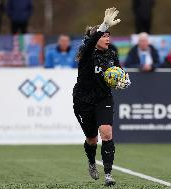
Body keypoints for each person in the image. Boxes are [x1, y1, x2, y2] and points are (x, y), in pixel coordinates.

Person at [73, 8, 130, 186]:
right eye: (104, 35)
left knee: (106, 133)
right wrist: (103, 24)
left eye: (109, 35)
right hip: (83, 100)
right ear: (96, 39)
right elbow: (89, 44)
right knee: (92, 139)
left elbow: (119, 72)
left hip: (103, 98)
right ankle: (91, 162)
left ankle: (108, 174)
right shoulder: (86, 53)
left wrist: (124, 80)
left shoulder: (111, 54)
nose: (108, 38)